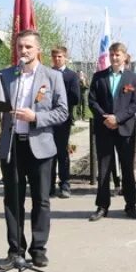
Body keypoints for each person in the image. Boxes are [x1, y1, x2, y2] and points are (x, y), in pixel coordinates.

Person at [0, 29, 68, 270]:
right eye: (20, 47)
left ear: (38, 50)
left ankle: (38, 250)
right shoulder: (5, 76)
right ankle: (15, 250)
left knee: (41, 200)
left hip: (40, 147)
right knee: (13, 200)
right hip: (13, 145)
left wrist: (35, 116)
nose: (23, 51)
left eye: (28, 47)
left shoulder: (52, 77)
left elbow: (62, 111)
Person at [88, 42, 136, 221]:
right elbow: (92, 101)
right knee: (104, 168)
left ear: (125, 56)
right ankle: (102, 206)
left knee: (127, 168)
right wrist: (106, 118)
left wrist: (117, 119)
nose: (114, 57)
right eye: (112, 54)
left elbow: (135, 104)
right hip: (104, 128)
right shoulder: (98, 77)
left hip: (124, 129)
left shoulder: (133, 78)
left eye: (118, 54)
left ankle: (131, 205)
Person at [49, 46, 80, 198]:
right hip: (47, 119)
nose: (57, 59)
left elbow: (75, 97)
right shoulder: (46, 74)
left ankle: (65, 184)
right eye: (54, 57)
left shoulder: (71, 76)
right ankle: (49, 185)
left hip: (62, 119)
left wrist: (61, 101)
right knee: (48, 153)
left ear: (65, 58)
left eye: (60, 57)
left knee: (61, 152)